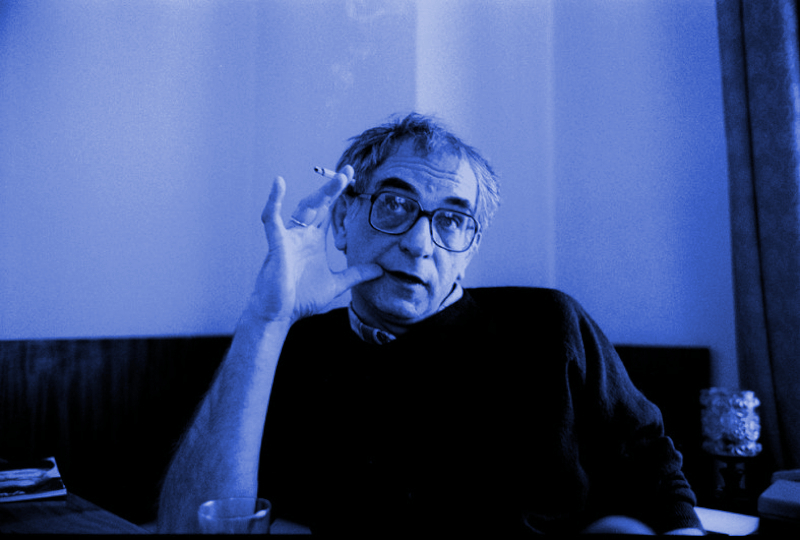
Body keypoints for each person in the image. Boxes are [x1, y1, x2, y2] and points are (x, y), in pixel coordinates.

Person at [157, 113, 705, 535]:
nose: (420, 243)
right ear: (343, 219)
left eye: (452, 219)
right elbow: (192, 525)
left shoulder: (547, 326)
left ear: (470, 248)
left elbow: (654, 474)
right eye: (395, 204)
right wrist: (265, 319)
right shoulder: (290, 350)